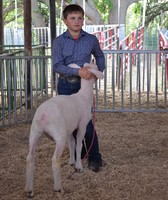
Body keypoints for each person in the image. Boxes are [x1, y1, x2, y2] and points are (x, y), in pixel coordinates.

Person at [52, 4, 105, 172]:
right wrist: (78, 71)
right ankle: (78, 155)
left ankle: (95, 157)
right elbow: (57, 66)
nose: (77, 21)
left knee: (87, 124)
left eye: (80, 18)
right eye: (72, 18)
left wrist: (98, 72)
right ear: (65, 21)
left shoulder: (91, 39)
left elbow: (99, 55)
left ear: (83, 19)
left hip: (84, 88)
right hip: (65, 85)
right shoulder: (59, 41)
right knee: (70, 123)